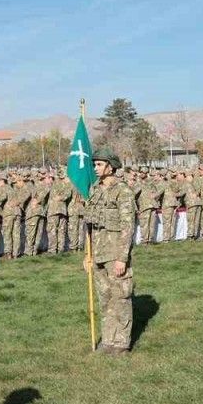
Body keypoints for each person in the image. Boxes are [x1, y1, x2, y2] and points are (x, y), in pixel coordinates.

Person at [83, 150, 136, 354]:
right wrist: (86, 255)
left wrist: (122, 258)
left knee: (120, 297)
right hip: (97, 251)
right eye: (94, 164)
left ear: (110, 167)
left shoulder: (122, 191)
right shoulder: (95, 190)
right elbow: (89, 225)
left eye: (98, 164)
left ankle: (122, 342)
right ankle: (108, 339)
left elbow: (127, 227)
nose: (95, 168)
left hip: (115, 252)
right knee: (104, 298)